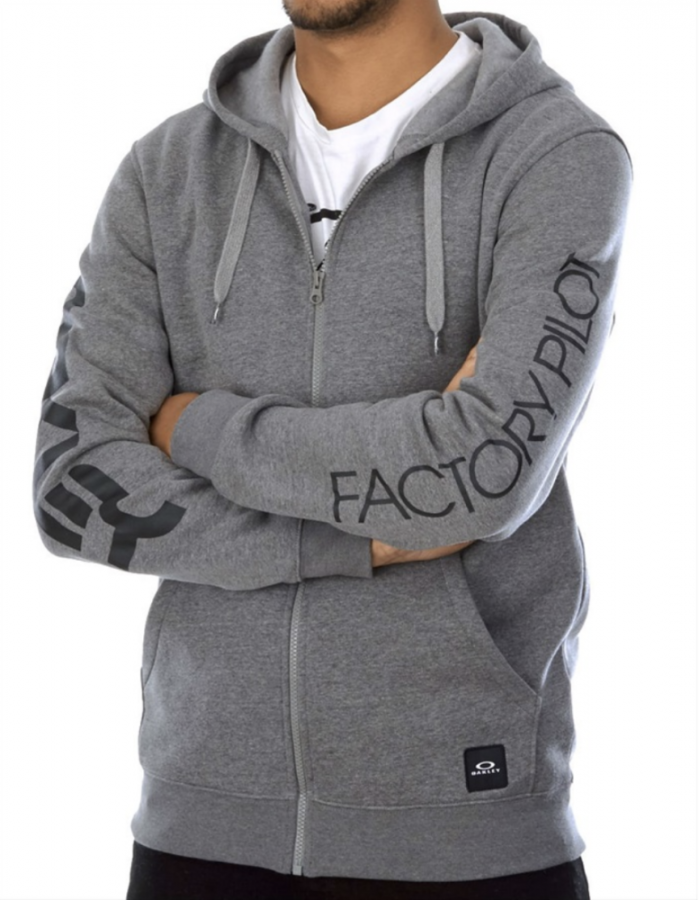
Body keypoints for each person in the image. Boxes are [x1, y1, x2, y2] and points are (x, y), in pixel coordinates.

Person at [32, 0, 632, 897]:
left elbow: (479, 476)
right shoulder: (168, 170)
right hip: (197, 827)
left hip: (468, 835)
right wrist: (352, 539)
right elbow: (73, 486)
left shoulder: (552, 153)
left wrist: (194, 426)